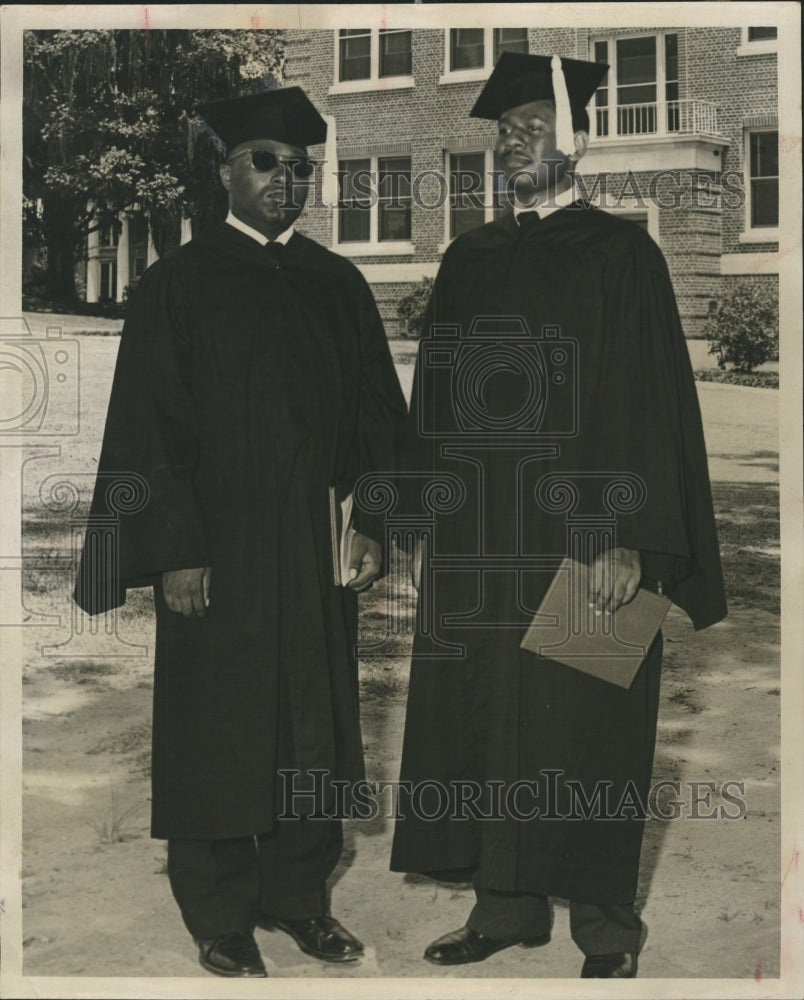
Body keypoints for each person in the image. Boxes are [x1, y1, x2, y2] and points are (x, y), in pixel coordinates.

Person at [389, 52, 727, 979]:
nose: (514, 142)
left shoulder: (623, 254)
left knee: (587, 723)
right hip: (485, 535)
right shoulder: (471, 256)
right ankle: (504, 907)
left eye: (535, 128)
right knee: (489, 712)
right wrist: (423, 518)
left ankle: (607, 927)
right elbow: (439, 402)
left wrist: (632, 535)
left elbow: (652, 403)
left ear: (578, 141)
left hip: (589, 535)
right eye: (505, 130)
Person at [74, 86, 407, 978]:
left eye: (301, 167)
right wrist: (176, 547)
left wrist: (374, 519)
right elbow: (149, 427)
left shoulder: (337, 283)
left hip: (311, 544)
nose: (285, 181)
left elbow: (381, 418)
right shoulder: (177, 284)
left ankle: (299, 897)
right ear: (226, 168)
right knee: (215, 723)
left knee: (310, 716)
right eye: (266, 161)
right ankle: (219, 911)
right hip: (213, 547)